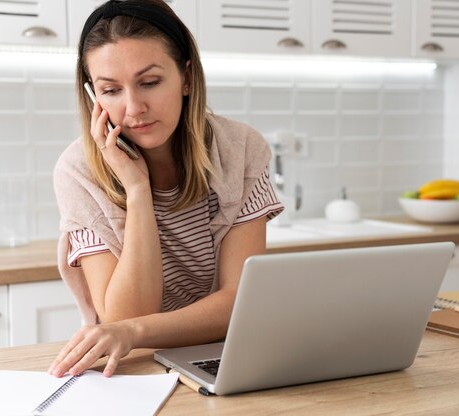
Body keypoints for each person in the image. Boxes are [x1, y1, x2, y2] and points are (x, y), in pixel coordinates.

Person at [48, 0, 283, 378]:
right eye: (110, 90)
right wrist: (138, 191)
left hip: (223, 355)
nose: (134, 108)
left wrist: (132, 330)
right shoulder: (79, 171)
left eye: (150, 82)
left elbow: (241, 301)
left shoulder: (240, 150)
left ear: (187, 77)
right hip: (131, 367)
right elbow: (124, 318)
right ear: (94, 96)